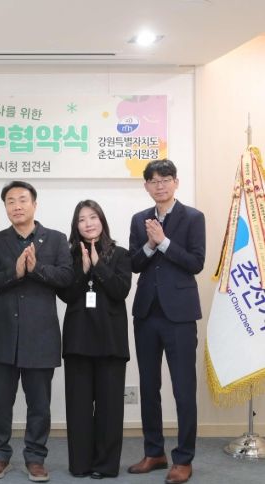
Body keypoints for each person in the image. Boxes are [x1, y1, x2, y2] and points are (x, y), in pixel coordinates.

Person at [0, 180, 73, 482]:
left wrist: (36, 270)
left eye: (22, 200)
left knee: (39, 404)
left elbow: (66, 277)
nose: (17, 206)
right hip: (3, 334)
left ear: (34, 204)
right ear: (5, 207)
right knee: (0, 402)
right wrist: (16, 272)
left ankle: (35, 458)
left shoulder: (56, 239)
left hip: (41, 335)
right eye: (10, 201)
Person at [127, 159, 205, 484]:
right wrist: (149, 244)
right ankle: (154, 452)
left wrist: (164, 242)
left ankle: (183, 459)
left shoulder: (193, 218)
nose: (159, 185)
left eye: (165, 179)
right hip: (146, 314)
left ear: (176, 182)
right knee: (149, 387)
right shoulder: (139, 219)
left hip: (180, 316)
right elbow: (133, 264)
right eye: (153, 181)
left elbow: (196, 263)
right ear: (146, 186)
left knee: (184, 389)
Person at [58, 200, 131, 479]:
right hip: (78, 341)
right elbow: (66, 295)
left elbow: (120, 290)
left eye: (93, 217)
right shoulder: (69, 255)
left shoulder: (120, 254)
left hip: (110, 341)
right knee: (78, 408)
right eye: (81, 219)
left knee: (110, 408)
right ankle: (80, 464)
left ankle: (105, 465)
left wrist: (98, 265)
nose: (88, 223)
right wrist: (84, 269)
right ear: (75, 226)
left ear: (102, 220)